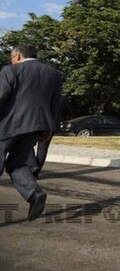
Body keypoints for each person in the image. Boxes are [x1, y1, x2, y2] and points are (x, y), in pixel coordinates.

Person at [0, 44, 62, 221]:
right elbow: (55, 103)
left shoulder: (11, 70)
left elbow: (1, 96)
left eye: (12, 58)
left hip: (7, 126)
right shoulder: (54, 74)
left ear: (18, 56)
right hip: (35, 128)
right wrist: (49, 128)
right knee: (17, 163)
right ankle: (35, 194)